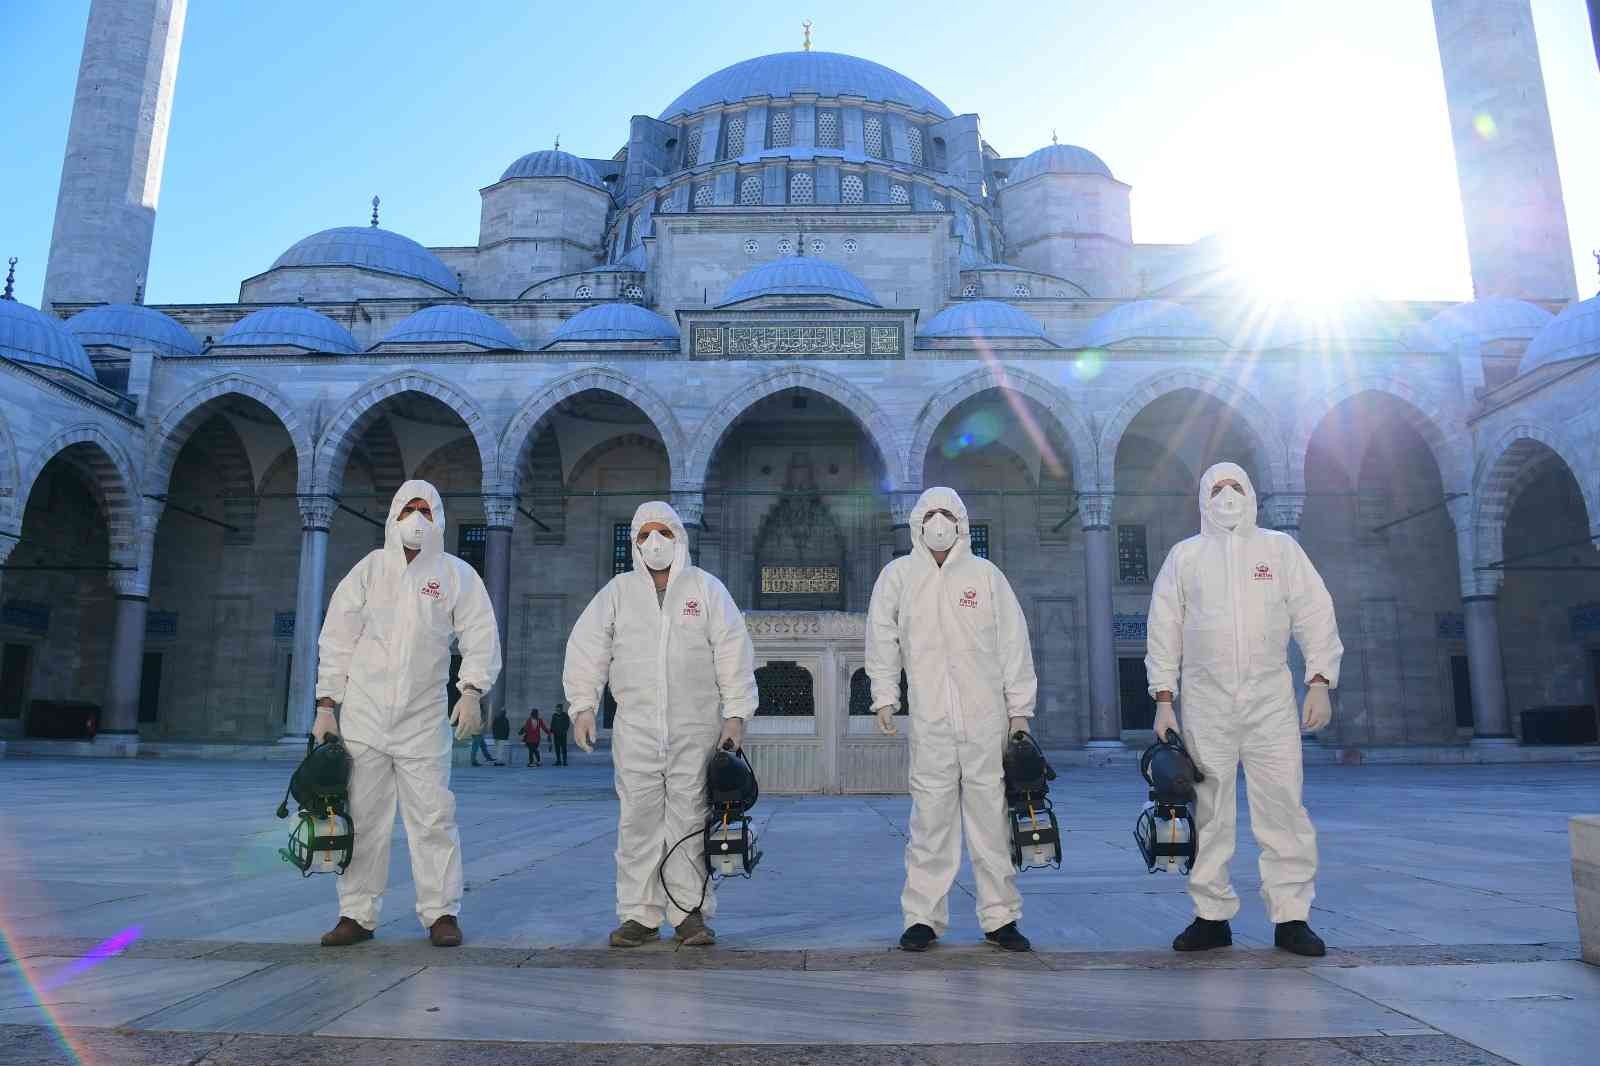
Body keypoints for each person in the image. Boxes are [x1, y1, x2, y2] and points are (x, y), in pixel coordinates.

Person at [1145, 461, 1343, 958]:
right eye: (1217, 487)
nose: (1227, 494)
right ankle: (1211, 916)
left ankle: (1292, 916)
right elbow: (1163, 629)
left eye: (1235, 486)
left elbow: (1315, 613)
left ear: (1250, 493)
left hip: (1269, 700)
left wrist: (1318, 680)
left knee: (1282, 807)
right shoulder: (1185, 557)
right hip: (1206, 702)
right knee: (1209, 812)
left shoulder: (1279, 550)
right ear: (1203, 498)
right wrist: (1163, 699)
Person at [312, 480, 501, 949]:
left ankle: (440, 913)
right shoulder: (368, 571)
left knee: (433, 817)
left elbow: (479, 634)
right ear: (394, 516)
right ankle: (356, 914)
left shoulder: (456, 575)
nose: (417, 518)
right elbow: (337, 640)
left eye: (425, 510)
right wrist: (326, 707)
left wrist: (472, 689)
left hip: (423, 716)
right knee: (364, 817)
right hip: (364, 715)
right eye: (409, 509)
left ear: (438, 518)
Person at [563, 500, 758, 948]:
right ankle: (639, 915)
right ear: (635, 542)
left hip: (696, 728)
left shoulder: (705, 589)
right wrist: (583, 705)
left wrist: (735, 716)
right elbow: (587, 649)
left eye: (664, 533)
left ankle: (689, 914)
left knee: (690, 820)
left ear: (679, 538)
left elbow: (732, 653)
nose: (655, 542)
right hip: (637, 729)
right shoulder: (617, 593)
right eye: (646, 534)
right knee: (638, 822)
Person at [866, 486, 1039, 954]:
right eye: (930, 513)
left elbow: (1013, 646)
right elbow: (882, 640)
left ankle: (1001, 917)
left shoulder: (985, 576)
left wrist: (1019, 712)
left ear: (961, 521)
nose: (938, 521)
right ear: (916, 522)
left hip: (986, 721)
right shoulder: (898, 577)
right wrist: (885, 696)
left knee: (990, 821)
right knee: (930, 821)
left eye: (947, 513)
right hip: (931, 722)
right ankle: (923, 917)